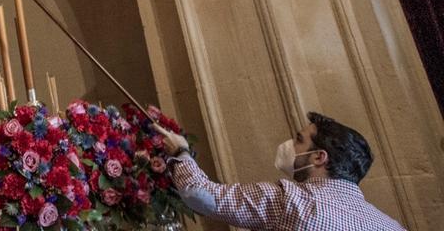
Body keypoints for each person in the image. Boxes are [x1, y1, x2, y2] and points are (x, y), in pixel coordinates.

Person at [156, 112, 405, 230]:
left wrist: (181, 153)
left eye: (299, 140)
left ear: (319, 157)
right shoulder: (391, 226)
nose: (289, 144)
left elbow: (203, 196)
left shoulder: (293, 201)